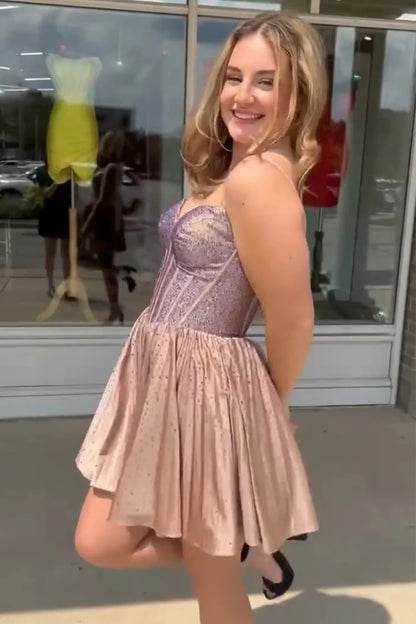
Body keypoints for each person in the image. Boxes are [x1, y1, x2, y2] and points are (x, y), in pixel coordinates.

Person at [74, 12, 327, 624]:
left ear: (297, 96)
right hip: (165, 376)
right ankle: (239, 547)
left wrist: (271, 411)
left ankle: (230, 549)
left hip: (211, 389)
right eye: (234, 77)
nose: (243, 96)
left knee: (207, 573)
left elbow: (293, 319)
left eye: (266, 81)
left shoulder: (259, 180)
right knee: (101, 540)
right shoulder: (236, 168)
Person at [79, 131, 136, 324]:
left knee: (92, 260)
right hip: (106, 217)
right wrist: (126, 209)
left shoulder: (112, 168)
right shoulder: (109, 167)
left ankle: (115, 301)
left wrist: (86, 226)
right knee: (103, 264)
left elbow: (104, 199)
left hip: (104, 219)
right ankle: (115, 304)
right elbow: (114, 197)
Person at [35, 164, 71, 298]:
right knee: (50, 252)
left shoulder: (68, 170)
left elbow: (75, 191)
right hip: (49, 214)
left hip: (65, 213)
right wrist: (58, 181)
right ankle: (50, 285)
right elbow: (46, 193)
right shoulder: (42, 171)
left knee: (66, 254)